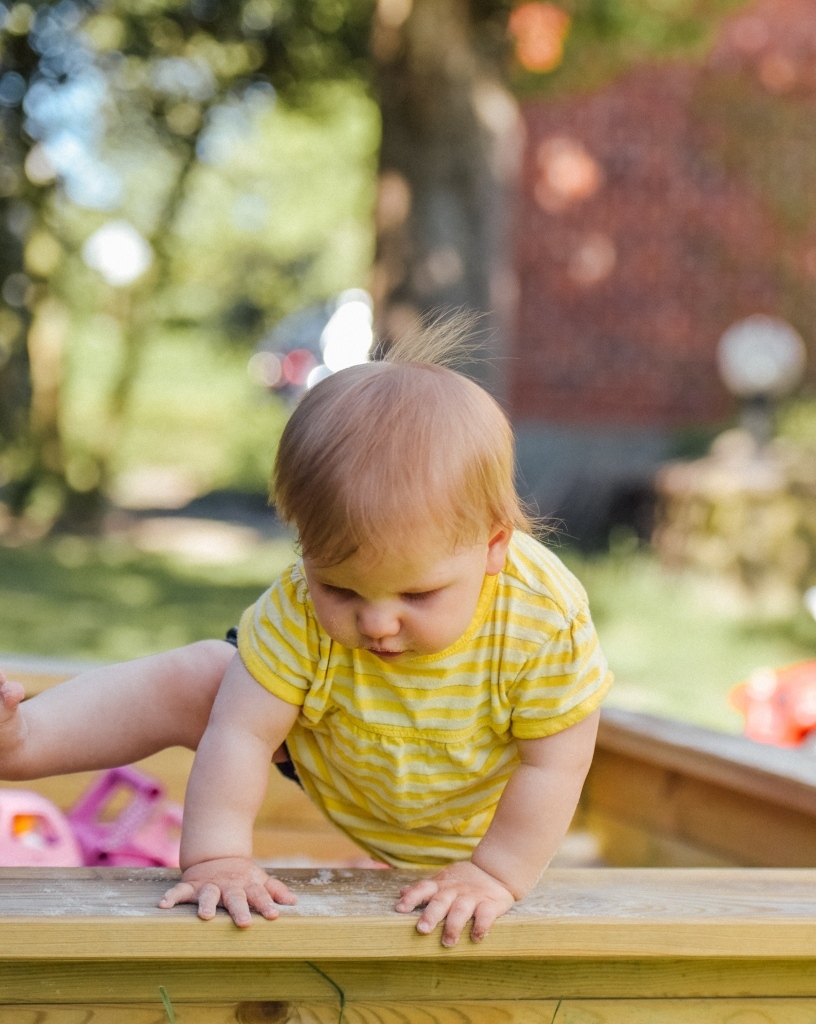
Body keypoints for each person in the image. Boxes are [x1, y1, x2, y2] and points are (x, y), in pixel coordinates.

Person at [0, 314, 611, 946]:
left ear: (493, 547)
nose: (376, 622)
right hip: (342, 755)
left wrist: (493, 874)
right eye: (340, 589)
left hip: (478, 806)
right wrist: (218, 857)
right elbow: (240, 732)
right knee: (207, 676)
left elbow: (555, 764)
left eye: (418, 593)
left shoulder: (541, 619)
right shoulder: (295, 604)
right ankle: (24, 741)